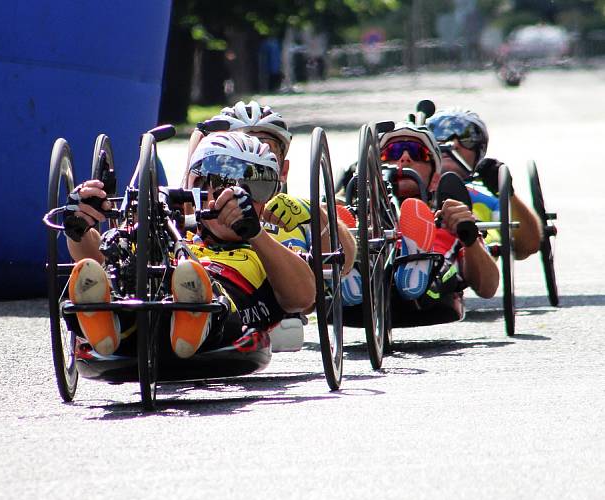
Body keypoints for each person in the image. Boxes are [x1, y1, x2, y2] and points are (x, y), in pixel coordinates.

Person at [64, 131, 317, 361]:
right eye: (223, 184)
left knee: (203, 288)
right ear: (197, 189)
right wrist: (78, 228)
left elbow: (303, 297)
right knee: (115, 270)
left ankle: (194, 314)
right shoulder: (174, 237)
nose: (237, 197)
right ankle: (105, 319)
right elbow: (96, 256)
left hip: (222, 322)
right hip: (142, 314)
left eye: (257, 189)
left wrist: (256, 233)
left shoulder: (268, 250)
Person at [183, 100, 356, 350]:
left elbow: (343, 263)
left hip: (273, 297)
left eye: (263, 146)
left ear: (281, 168)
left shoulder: (299, 213)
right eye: (229, 158)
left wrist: (317, 215)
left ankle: (199, 313)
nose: (248, 156)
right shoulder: (200, 201)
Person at [341, 119, 499, 328]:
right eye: (393, 153)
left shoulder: (448, 215)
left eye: (416, 153)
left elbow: (487, 288)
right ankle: (348, 269)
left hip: (431, 292)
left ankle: (417, 263)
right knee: (338, 220)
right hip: (360, 296)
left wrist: (468, 237)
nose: (404, 158)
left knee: (434, 235)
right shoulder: (359, 218)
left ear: (435, 178)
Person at [426, 107, 541, 260]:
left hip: (476, 264)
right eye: (441, 138)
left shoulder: (488, 200)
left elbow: (528, 247)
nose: (453, 144)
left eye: (465, 140)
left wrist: (508, 194)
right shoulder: (409, 192)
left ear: (478, 150)